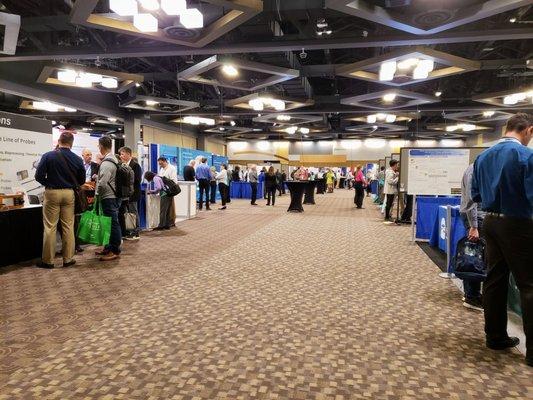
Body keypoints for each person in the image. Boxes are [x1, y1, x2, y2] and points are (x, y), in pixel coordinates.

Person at [471, 113, 533, 367]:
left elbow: (475, 194)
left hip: (492, 222)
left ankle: (495, 336)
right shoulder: (525, 156)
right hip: (519, 222)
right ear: (528, 130)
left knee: (495, 280)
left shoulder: (483, 157)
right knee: (529, 285)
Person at [35, 131, 85, 269]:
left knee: (50, 227)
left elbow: (38, 175)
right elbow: (81, 180)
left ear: (59, 140)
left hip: (52, 193)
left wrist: (49, 182)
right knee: (68, 226)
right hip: (69, 194)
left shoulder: (48, 156)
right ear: (72, 143)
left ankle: (48, 261)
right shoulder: (77, 159)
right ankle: (68, 259)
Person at [458, 164, 486, 311]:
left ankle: (471, 293)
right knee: (474, 257)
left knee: (475, 255)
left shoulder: (475, 168)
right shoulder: (475, 169)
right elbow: (471, 200)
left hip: (477, 218)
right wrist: (474, 226)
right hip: (476, 219)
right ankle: (472, 296)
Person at [94, 136, 122, 261]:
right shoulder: (113, 160)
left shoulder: (106, 163)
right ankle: (109, 247)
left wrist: (97, 194)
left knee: (112, 224)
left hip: (109, 197)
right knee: (109, 224)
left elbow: (103, 182)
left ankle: (115, 250)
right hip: (113, 196)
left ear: (101, 146)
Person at [118, 147, 142, 241]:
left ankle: (136, 231)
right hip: (125, 195)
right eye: (120, 154)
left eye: (123, 154)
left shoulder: (135, 165)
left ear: (128, 154)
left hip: (134, 194)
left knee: (133, 212)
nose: (121, 156)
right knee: (126, 213)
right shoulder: (122, 165)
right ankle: (128, 231)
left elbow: (137, 180)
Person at [158, 157, 178, 226]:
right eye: (159, 164)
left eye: (161, 163)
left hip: (168, 190)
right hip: (163, 190)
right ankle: (167, 223)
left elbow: (174, 181)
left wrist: (165, 181)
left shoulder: (172, 168)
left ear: (165, 161)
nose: (160, 165)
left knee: (164, 208)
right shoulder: (162, 169)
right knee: (167, 208)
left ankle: (162, 224)